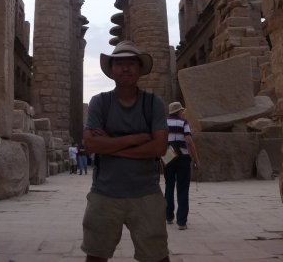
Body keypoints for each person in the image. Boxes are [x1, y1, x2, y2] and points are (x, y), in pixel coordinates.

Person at [82, 41, 170, 262]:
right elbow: (90, 144)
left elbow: (159, 147)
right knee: (96, 256)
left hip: (146, 192)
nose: (125, 68)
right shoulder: (99, 102)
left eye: (131, 63)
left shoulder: (153, 103)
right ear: (111, 70)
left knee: (157, 257)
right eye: (120, 63)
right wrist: (135, 139)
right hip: (105, 192)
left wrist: (110, 145)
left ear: (140, 69)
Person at [164, 102, 200, 230]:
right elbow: (189, 141)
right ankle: (181, 222)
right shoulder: (183, 122)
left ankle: (169, 216)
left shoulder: (164, 123)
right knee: (183, 188)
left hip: (168, 156)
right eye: (182, 111)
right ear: (179, 111)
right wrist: (196, 159)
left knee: (169, 186)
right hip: (183, 157)